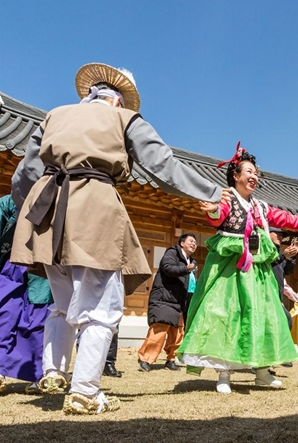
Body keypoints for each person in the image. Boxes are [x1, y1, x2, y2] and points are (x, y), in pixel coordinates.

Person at [10, 63, 226, 414]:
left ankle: (53, 371)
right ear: (119, 100)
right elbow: (163, 166)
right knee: (101, 304)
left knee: (62, 301)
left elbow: (25, 174)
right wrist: (212, 191)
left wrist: (30, 215)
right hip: (92, 203)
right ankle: (85, 391)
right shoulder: (124, 118)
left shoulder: (53, 116)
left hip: (46, 207)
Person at [176, 145, 298, 394]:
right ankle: (224, 374)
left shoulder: (261, 206)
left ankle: (262, 372)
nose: (254, 176)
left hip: (258, 273)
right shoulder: (227, 198)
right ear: (235, 176)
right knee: (228, 317)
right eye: (248, 171)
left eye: (256, 172)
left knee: (265, 317)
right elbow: (218, 216)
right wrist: (214, 210)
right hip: (231, 270)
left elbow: (287, 218)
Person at [0, 195, 52, 394]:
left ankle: (35, 375)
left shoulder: (58, 198)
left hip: (41, 265)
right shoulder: (8, 203)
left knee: (38, 318)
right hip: (10, 263)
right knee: (5, 312)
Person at [137, 233, 198, 372]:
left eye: (195, 242)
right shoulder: (172, 253)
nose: (194, 244)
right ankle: (145, 359)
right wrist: (186, 268)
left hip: (180, 302)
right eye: (191, 241)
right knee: (159, 330)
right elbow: (168, 268)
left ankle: (171, 359)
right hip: (164, 299)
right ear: (182, 243)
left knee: (178, 333)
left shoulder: (192, 261)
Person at [269, 227, 298, 330]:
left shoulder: (277, 253)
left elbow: (287, 271)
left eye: (282, 235)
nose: (280, 237)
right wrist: (284, 256)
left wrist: (292, 256)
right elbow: (267, 263)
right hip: (266, 296)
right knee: (285, 321)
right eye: (277, 233)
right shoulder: (264, 249)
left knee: (286, 321)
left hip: (276, 298)